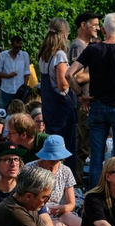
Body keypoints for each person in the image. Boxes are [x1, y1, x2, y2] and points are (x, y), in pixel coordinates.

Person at [67, 13, 115, 189]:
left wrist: (80, 94)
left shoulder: (91, 49)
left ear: (104, 30)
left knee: (96, 156)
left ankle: (95, 195)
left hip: (96, 106)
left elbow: (69, 74)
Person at [37, 18, 77, 175]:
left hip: (49, 106)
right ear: (64, 35)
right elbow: (62, 84)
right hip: (61, 108)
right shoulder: (59, 55)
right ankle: (67, 179)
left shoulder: (44, 55)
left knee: (52, 145)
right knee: (66, 147)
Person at [23, 135, 79, 226]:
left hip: (59, 211)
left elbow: (71, 204)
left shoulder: (66, 171)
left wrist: (61, 208)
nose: (52, 159)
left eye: (55, 156)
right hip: (36, 211)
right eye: (49, 155)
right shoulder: (30, 168)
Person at [69, 11, 100, 185]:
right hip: (84, 103)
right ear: (83, 25)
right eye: (94, 24)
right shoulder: (78, 46)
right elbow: (77, 77)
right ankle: (79, 184)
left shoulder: (88, 45)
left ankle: (77, 181)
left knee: (83, 146)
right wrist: (99, 70)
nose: (97, 28)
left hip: (87, 102)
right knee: (85, 146)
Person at [0, 36, 30, 109]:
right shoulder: (3, 55)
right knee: (6, 110)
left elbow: (27, 73)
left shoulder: (24, 55)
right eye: (16, 47)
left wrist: (24, 88)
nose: (18, 50)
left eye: (19, 47)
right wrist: (8, 75)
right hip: (6, 89)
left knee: (20, 112)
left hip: (19, 90)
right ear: (11, 45)